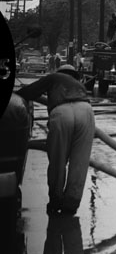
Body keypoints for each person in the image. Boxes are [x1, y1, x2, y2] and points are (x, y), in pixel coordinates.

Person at [15, 64, 95, 215]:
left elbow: (28, 92)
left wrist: (16, 94)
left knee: (58, 159)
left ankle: (55, 201)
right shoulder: (79, 85)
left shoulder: (54, 78)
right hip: (86, 111)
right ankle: (71, 204)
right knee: (80, 162)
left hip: (62, 112)